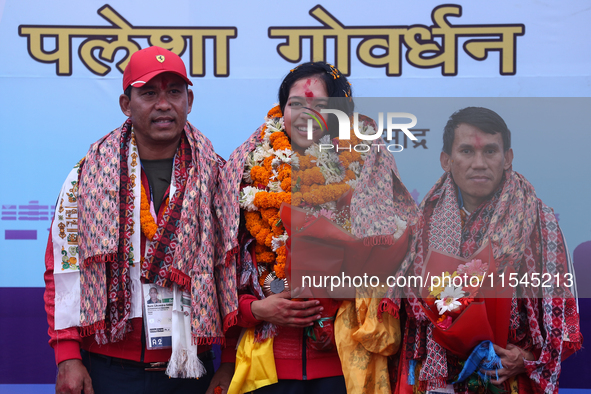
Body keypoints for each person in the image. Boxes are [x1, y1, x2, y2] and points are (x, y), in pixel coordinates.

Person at [215, 62, 419, 394]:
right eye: (295, 104)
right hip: (268, 366)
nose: (304, 114)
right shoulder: (246, 170)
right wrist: (255, 308)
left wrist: (344, 292)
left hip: (344, 363)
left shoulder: (371, 168)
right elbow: (221, 263)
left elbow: (399, 263)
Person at [43, 46, 237, 394]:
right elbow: (63, 267)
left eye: (174, 92)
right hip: (110, 367)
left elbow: (232, 271)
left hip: (193, 367)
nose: (163, 104)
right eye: (149, 93)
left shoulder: (218, 176)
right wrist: (67, 355)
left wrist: (230, 361)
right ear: (126, 104)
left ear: (189, 101)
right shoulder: (87, 177)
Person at [394, 107, 582, 393]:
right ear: (446, 160)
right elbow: (406, 311)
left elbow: (564, 318)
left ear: (507, 158)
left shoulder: (538, 222)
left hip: (507, 377)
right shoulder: (421, 223)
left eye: (490, 152)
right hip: (436, 378)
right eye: (467, 151)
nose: (479, 163)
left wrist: (527, 358)